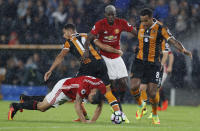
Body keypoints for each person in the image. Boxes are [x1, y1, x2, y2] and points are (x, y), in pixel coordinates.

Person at [43, 24, 127, 122]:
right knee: (108, 91)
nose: (64, 35)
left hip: (87, 65)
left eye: (64, 33)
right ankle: (118, 113)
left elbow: (60, 56)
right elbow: (102, 46)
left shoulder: (69, 41)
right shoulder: (87, 35)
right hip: (100, 62)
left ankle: (84, 115)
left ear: (69, 31)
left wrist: (50, 70)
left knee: (75, 88)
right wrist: (116, 51)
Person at [130, 8, 192, 124]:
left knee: (152, 93)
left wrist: (183, 50)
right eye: (141, 21)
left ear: (151, 18)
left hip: (153, 63)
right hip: (139, 60)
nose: (143, 24)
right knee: (133, 87)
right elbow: (132, 32)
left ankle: (154, 114)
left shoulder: (161, 28)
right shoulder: (139, 25)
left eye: (145, 21)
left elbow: (173, 41)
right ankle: (141, 105)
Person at [83, 5, 137, 114]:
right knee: (111, 83)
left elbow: (135, 32)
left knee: (124, 82)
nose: (111, 16)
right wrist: (86, 51)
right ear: (105, 15)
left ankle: (117, 101)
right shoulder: (100, 24)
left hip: (117, 56)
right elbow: (88, 38)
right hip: (105, 57)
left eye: (113, 14)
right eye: (109, 14)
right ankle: (117, 107)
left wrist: (141, 42)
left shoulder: (121, 22)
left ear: (115, 14)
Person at [8, 76, 123, 123]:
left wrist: (92, 122)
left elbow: (100, 106)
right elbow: (77, 104)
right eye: (90, 99)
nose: (89, 100)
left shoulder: (101, 88)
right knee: (43, 107)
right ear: (92, 92)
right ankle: (15, 106)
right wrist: (84, 122)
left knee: (48, 102)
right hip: (64, 88)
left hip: (72, 90)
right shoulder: (85, 87)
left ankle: (26, 98)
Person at [139, 41, 174, 118]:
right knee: (149, 87)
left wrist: (170, 66)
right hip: (150, 67)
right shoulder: (150, 39)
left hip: (161, 68)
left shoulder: (164, 42)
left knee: (156, 87)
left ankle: (159, 106)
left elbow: (170, 55)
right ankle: (156, 106)